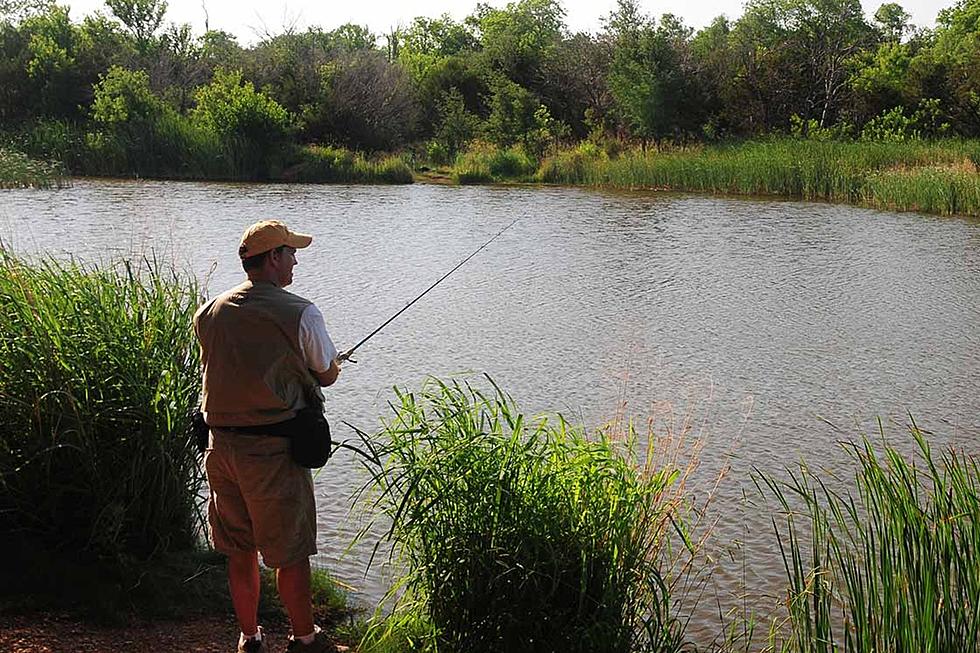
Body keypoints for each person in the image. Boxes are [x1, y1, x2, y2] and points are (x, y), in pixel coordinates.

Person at [194, 220, 343, 653]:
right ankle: (305, 639)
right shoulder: (300, 311)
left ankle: (250, 638)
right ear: (273, 258)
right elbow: (326, 375)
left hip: (220, 449)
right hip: (274, 453)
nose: (295, 260)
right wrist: (333, 365)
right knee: (291, 552)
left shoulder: (209, 312)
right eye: (290, 252)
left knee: (239, 549)